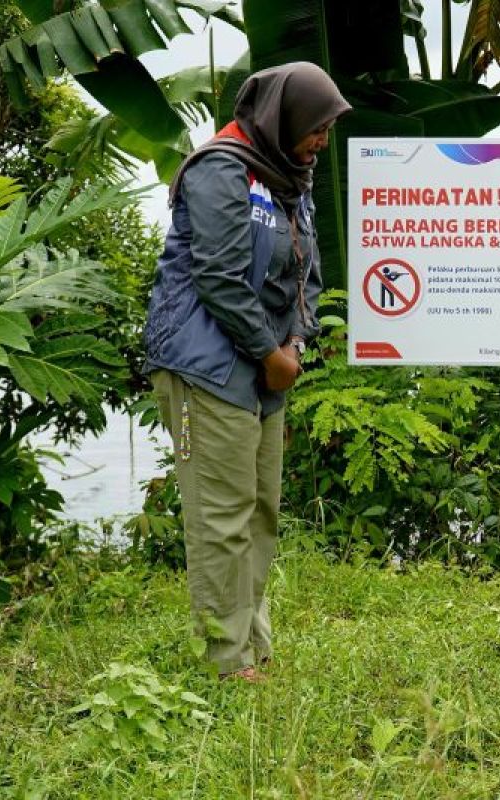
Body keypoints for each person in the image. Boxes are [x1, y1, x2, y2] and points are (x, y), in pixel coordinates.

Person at [144, 62, 350, 681]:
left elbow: (304, 273)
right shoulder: (220, 170)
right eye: (315, 127)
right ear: (280, 117)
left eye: (326, 129)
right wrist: (270, 354)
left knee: (260, 510)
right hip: (206, 366)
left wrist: (292, 341)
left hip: (264, 369)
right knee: (222, 516)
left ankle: (252, 645)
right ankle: (225, 660)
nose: (321, 141)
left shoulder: (291, 178)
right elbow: (219, 277)